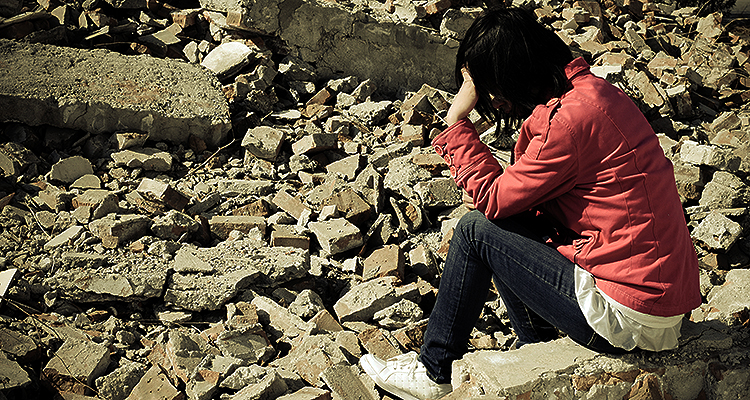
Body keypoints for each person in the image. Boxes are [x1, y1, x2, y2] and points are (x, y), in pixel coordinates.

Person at [359, 6, 701, 400]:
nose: (493, 101)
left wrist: (456, 121)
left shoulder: (568, 122)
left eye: (491, 88)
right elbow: (522, 197)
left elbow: (492, 200)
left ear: (513, 74)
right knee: (509, 220)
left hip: (629, 317)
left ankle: (434, 371)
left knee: (476, 230)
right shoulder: (596, 94)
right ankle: (536, 343)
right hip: (657, 303)